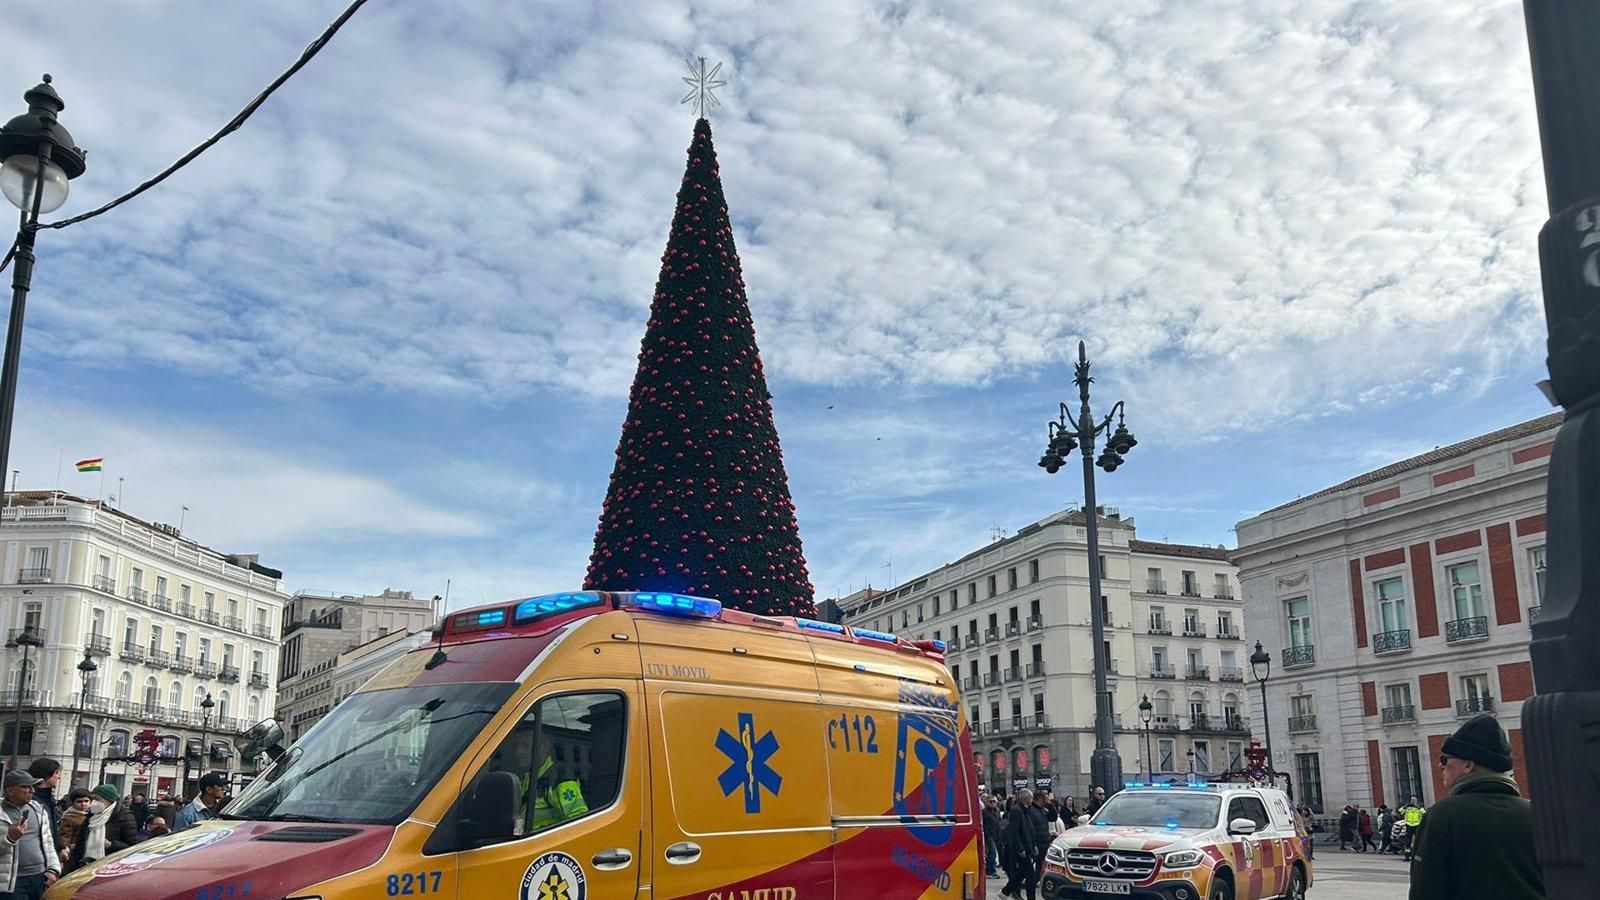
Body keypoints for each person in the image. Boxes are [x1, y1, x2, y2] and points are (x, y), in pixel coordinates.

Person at [1409, 715, 1544, 900]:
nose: (1441, 765)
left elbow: (1425, 891)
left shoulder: (1443, 815)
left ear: (1467, 765)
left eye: (1445, 759)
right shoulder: (1537, 814)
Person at [0, 770, 60, 900]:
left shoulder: (38, 809)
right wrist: (10, 839)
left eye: (32, 786)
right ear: (10, 791)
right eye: (25, 787)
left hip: (40, 877)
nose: (31, 790)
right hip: (11, 882)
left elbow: (48, 842)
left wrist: (53, 869)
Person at [66, 785, 138, 873]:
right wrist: (67, 872)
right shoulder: (91, 818)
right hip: (86, 867)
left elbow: (133, 847)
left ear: (109, 801)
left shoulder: (124, 817)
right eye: (92, 799)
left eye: (98, 799)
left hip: (111, 870)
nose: (93, 803)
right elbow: (79, 848)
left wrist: (111, 845)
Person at [1001, 789, 1043, 900]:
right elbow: (1013, 831)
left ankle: (1006, 891)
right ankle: (1007, 891)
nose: (1032, 800)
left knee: (1025, 874)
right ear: (1026, 799)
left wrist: (1033, 845)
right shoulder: (1017, 811)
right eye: (1030, 798)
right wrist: (1020, 848)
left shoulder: (1026, 810)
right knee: (1028, 874)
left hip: (1027, 846)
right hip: (1021, 848)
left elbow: (1029, 829)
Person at [23, 761, 61, 847]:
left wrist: (60, 846)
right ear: (46, 775)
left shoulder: (50, 799)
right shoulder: (29, 800)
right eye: (56, 773)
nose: (59, 777)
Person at [55, 790, 92, 871]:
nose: (83, 804)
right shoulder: (68, 816)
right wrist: (66, 849)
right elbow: (65, 835)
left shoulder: (91, 814)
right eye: (79, 802)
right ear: (73, 803)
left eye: (86, 801)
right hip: (75, 851)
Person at [1398, 795, 1426, 860]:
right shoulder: (1408, 807)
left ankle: (1421, 854)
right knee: (1407, 842)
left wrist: (1418, 807)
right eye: (1412, 800)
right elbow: (1400, 811)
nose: (1413, 801)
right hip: (1409, 826)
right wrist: (1406, 806)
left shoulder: (1419, 808)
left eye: (1414, 800)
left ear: (1417, 800)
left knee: (1419, 841)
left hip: (1417, 826)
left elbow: (1424, 814)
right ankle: (1407, 856)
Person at [981, 794, 1002, 878]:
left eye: (994, 801)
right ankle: (990, 871)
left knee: (995, 852)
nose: (993, 803)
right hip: (989, 835)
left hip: (997, 834)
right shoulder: (984, 812)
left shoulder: (997, 811)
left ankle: (990, 869)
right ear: (986, 802)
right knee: (992, 852)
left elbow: (999, 822)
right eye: (991, 801)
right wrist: (986, 835)